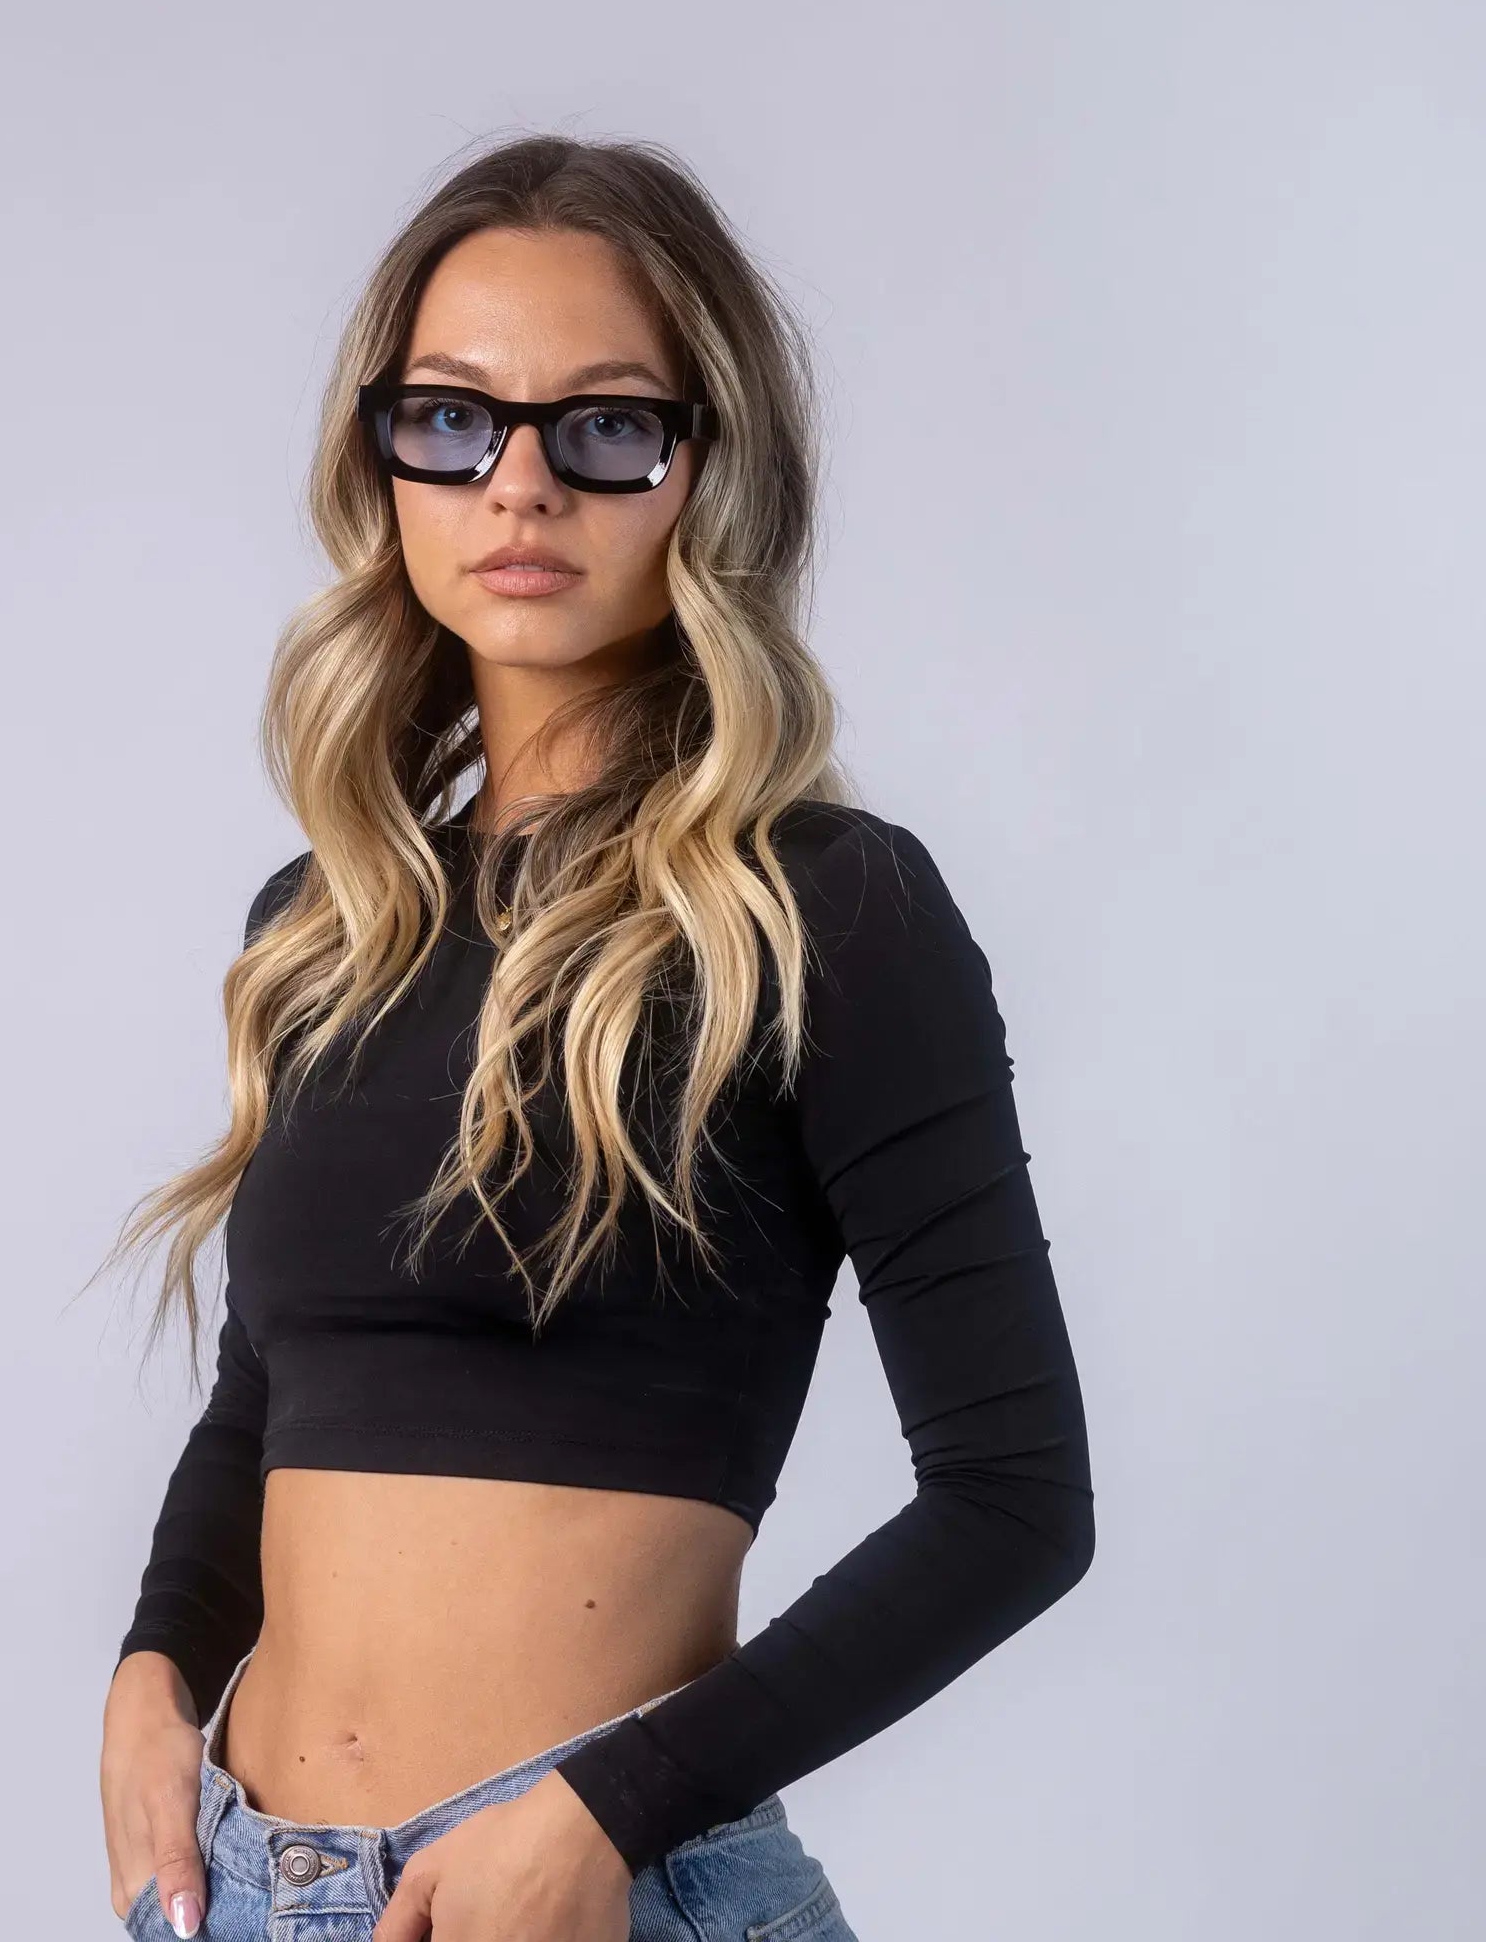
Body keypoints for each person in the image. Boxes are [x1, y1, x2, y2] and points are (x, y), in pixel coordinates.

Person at [93, 133, 1095, 1942]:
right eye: (455, 419)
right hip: (241, 1888)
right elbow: (271, 1395)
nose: (521, 485)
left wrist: (603, 1814)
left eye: (607, 424)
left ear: (708, 473)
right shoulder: (322, 926)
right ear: (382, 460)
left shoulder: (827, 911)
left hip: (590, 1897)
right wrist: (150, 1676)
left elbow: (1017, 1502)